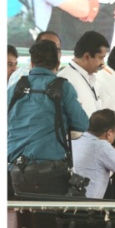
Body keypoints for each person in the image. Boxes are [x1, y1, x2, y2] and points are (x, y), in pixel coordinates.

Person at [7, 40, 90, 195]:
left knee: (25, 219)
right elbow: (83, 124)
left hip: (16, 171)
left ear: (31, 63)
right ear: (58, 64)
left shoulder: (15, 89)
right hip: (50, 172)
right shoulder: (63, 87)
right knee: (51, 219)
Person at [71, 109, 115, 199]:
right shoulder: (101, 146)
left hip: (69, 203)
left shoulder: (74, 140)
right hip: (87, 207)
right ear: (109, 133)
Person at [56, 30, 110, 118]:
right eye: (101, 58)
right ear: (87, 56)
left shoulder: (90, 77)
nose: (102, 63)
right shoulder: (65, 80)